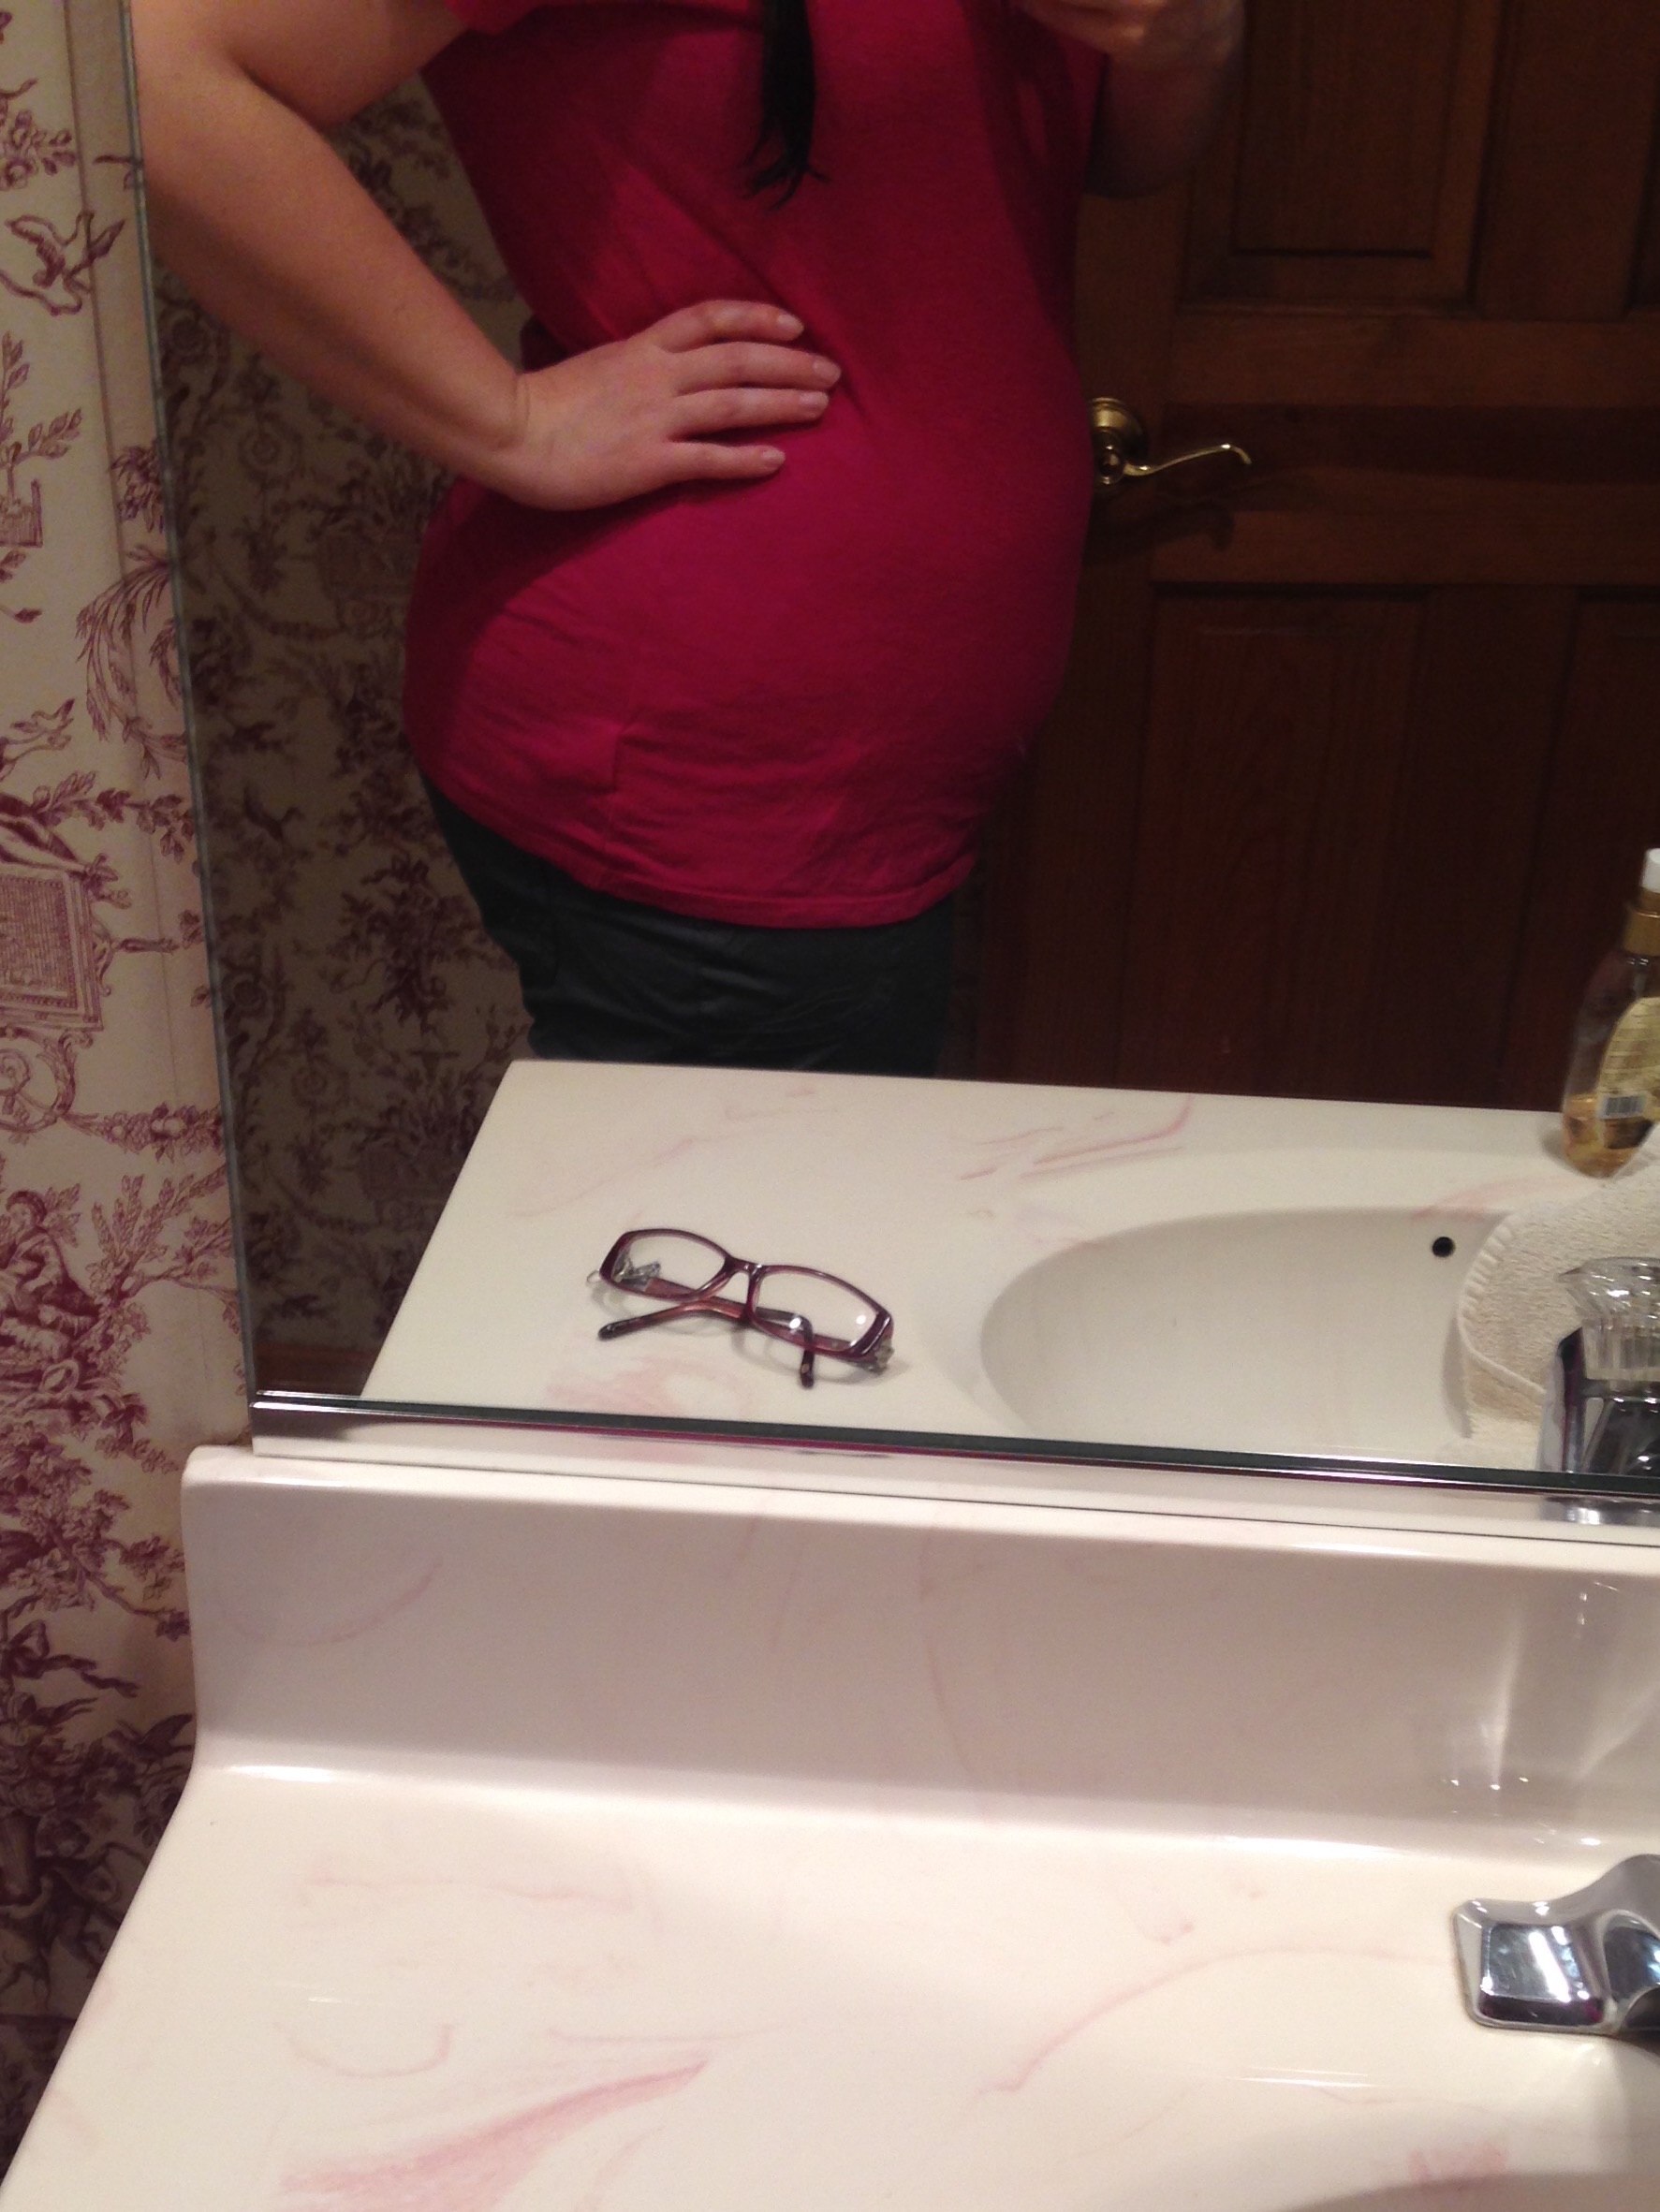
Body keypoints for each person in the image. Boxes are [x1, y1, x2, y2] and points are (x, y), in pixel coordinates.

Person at [132, 0, 1242, 1075]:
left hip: (837, 791)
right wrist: (509, 423)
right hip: (708, 776)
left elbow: (1092, 146)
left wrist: (1191, 40)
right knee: (750, 1207)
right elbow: (161, 73)